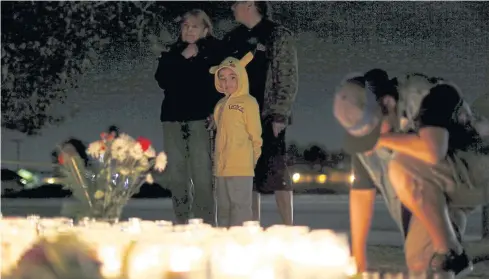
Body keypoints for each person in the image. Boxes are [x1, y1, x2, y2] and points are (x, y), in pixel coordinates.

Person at [333, 69, 489, 276]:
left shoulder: (433, 95)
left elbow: (433, 150)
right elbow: (361, 194)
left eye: (374, 129)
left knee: (402, 166)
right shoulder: (370, 136)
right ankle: (454, 255)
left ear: (387, 104)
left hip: (477, 171)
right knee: (423, 264)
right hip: (440, 194)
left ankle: (456, 252)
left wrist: (377, 140)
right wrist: (359, 259)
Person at [224, 1, 298, 225]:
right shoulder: (232, 38)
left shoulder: (276, 34)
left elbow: (287, 76)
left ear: (249, 5)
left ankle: (288, 227)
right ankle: (252, 228)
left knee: (277, 174)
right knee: (248, 177)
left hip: (268, 116)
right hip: (240, 116)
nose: (232, 8)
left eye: (236, 3)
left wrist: (280, 114)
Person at [154, 9, 224, 225]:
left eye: (194, 26)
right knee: (176, 175)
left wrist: (217, 111)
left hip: (200, 119)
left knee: (202, 174)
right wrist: (182, 58)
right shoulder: (172, 54)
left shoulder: (216, 52)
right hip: (173, 119)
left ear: (205, 29)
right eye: (185, 26)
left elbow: (223, 86)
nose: (189, 30)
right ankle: (182, 221)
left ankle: (205, 223)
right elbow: (163, 79)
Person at [209, 52, 262, 227]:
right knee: (223, 209)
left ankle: (241, 244)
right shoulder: (220, 105)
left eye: (232, 77)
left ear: (241, 77)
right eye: (222, 78)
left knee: (240, 209)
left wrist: (251, 159)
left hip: (241, 166)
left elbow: (255, 135)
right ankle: (223, 242)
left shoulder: (248, 102)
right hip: (221, 168)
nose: (227, 82)